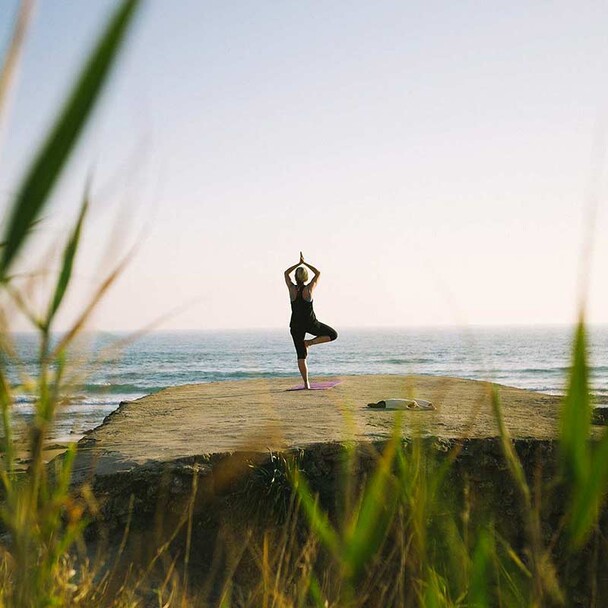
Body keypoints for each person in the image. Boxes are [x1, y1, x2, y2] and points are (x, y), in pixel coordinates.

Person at [284, 252, 338, 388]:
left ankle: (306, 383)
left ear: (295, 277)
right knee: (333, 335)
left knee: (301, 355)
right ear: (306, 277)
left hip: (296, 325)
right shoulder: (308, 289)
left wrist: (298, 264)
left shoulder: (292, 289)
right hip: (310, 323)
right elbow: (318, 273)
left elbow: (285, 273)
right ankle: (310, 342)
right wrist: (304, 263)